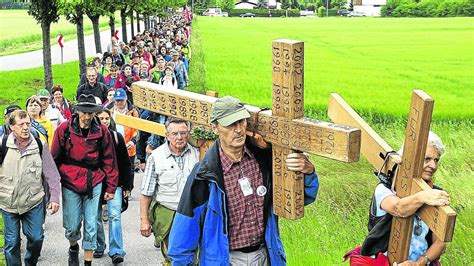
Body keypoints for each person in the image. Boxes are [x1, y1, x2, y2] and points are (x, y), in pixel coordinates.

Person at [168, 96, 319, 265]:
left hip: (265, 256)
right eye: (230, 124)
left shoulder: (265, 162)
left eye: (241, 122)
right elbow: (184, 233)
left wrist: (307, 172)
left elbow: (303, 197)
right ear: (215, 128)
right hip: (226, 260)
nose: (238, 129)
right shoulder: (204, 175)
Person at [344, 131, 449, 266]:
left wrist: (420, 263)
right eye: (427, 159)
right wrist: (423, 197)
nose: (433, 166)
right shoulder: (384, 189)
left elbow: (440, 242)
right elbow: (398, 208)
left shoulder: (435, 193)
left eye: (436, 160)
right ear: (410, 160)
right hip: (381, 261)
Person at [51, 94, 119, 266]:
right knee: (72, 225)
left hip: (93, 180)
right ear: (77, 111)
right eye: (84, 112)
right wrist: (53, 188)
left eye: (91, 113)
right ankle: (73, 247)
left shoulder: (102, 131)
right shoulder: (64, 129)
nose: (87, 117)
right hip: (70, 179)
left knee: (91, 224)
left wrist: (111, 188)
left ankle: (88, 262)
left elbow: (110, 160)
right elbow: (54, 158)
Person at [0, 110, 61, 266]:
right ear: (12, 126)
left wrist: (54, 198)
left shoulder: (40, 145)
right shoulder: (2, 144)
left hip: (33, 202)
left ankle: (29, 263)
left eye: (28, 123)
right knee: (12, 243)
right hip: (8, 204)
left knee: (36, 238)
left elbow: (52, 174)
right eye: (21, 125)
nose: (26, 127)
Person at [140, 118, 200, 264]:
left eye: (183, 133)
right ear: (167, 135)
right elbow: (146, 193)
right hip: (167, 214)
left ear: (188, 134)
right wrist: (144, 221)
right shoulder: (156, 157)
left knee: (194, 257)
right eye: (174, 133)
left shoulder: (198, 154)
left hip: (192, 215)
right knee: (172, 257)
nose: (179, 137)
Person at [94, 108, 132, 264]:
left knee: (114, 216)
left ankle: (116, 250)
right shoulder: (90, 139)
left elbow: (125, 163)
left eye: (107, 119)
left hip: (115, 182)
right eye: (101, 119)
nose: (104, 121)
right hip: (95, 183)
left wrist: (127, 186)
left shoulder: (117, 138)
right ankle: (99, 244)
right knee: (94, 217)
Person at [106, 88, 139, 193]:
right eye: (117, 100)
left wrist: (133, 141)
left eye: (121, 100)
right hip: (114, 143)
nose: (119, 103)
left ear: (125, 99)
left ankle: (128, 188)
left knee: (129, 168)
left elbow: (137, 129)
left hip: (129, 144)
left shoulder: (133, 112)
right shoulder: (109, 110)